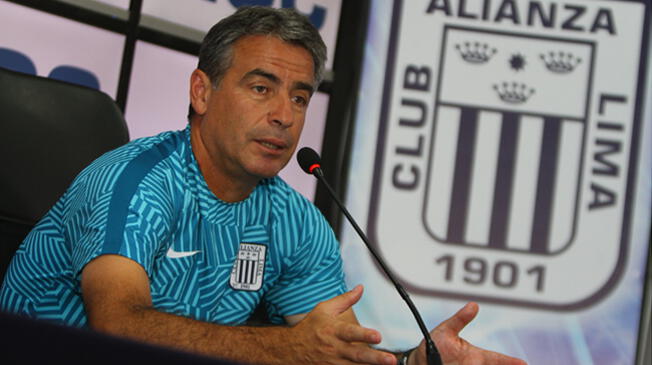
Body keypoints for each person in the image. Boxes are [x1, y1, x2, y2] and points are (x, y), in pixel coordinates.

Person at [0, 6, 526, 365]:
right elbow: (115, 325)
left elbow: (327, 351)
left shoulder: (295, 221)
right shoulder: (137, 183)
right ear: (201, 92)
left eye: (299, 98)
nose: (283, 115)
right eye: (261, 88)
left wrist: (416, 360)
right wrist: (288, 350)